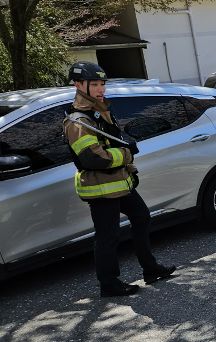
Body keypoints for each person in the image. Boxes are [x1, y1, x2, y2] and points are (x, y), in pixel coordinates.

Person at [62, 62, 175, 297]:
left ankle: (150, 269)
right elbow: (93, 158)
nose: (100, 89)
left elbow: (114, 143)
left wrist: (130, 168)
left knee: (142, 217)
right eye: (94, 84)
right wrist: (127, 154)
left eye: (102, 84)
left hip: (119, 181)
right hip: (100, 187)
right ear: (78, 85)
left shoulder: (101, 110)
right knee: (108, 236)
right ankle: (109, 284)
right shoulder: (78, 121)